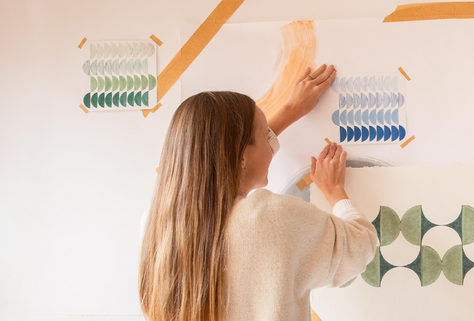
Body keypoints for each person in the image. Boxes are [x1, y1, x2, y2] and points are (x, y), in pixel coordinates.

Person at [139, 65, 379, 321]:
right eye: (265, 135)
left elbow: (231, 153)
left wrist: (290, 112)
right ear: (241, 156)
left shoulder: (157, 225)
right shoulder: (272, 217)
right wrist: (335, 192)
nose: (271, 144)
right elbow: (360, 245)